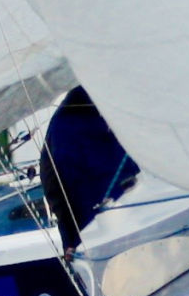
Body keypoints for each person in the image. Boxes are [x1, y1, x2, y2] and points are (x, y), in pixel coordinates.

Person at [38, 86, 138, 250]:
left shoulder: (74, 120)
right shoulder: (72, 127)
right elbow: (67, 188)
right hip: (107, 231)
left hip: (120, 223)